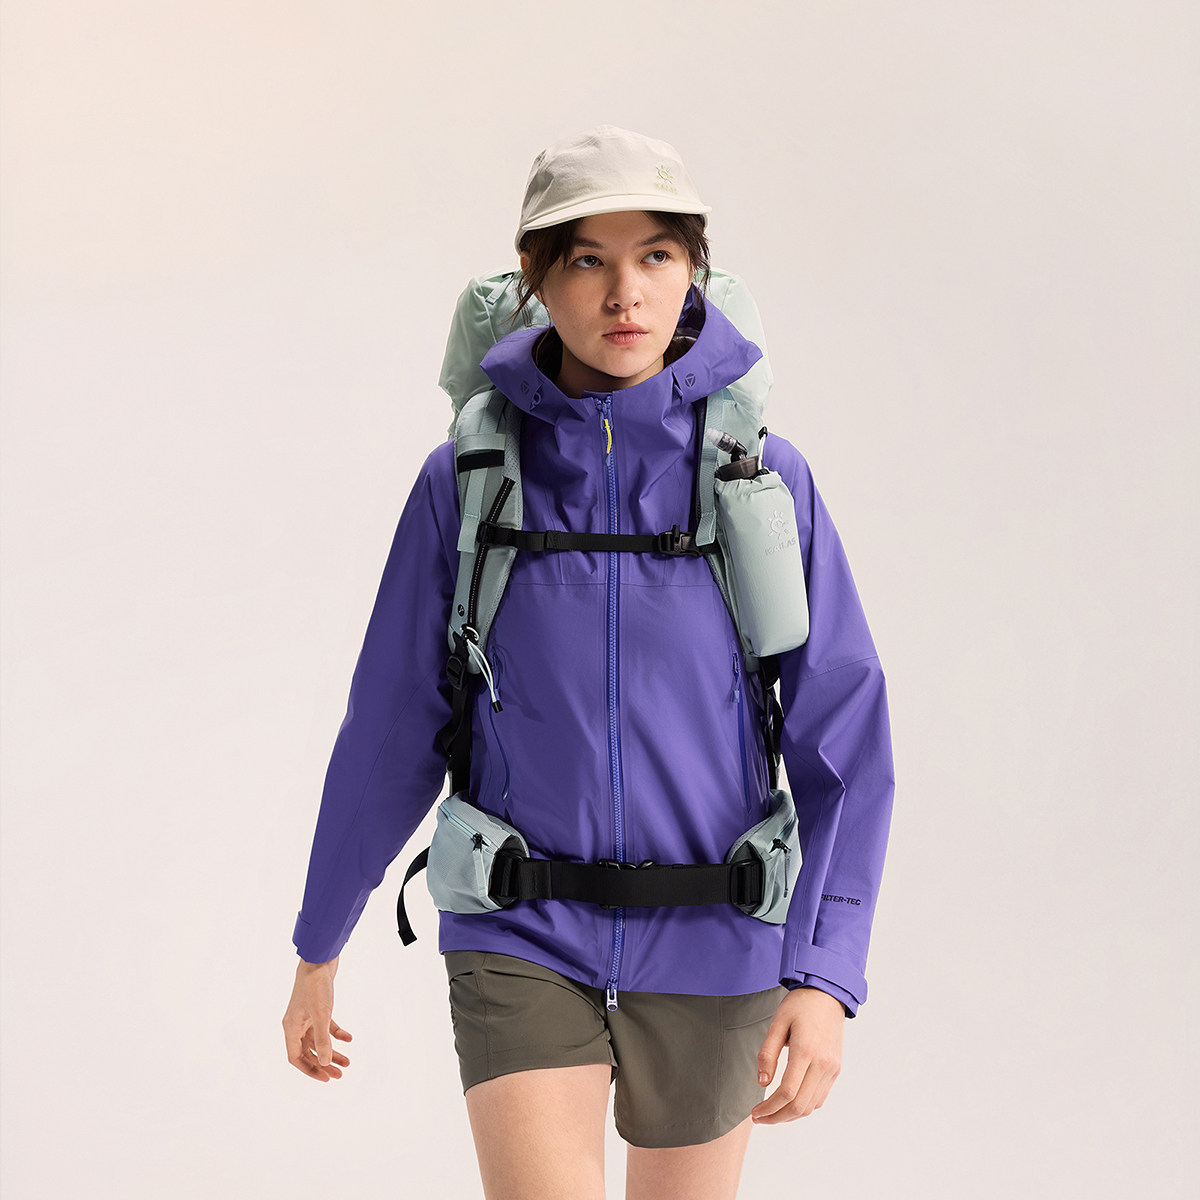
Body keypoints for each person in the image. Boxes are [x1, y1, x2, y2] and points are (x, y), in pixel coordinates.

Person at [282, 125, 895, 1200]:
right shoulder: (466, 482)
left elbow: (841, 739)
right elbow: (391, 726)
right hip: (520, 928)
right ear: (535, 276)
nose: (625, 293)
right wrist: (318, 943)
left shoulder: (760, 481)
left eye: (656, 255)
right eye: (586, 260)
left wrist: (825, 975)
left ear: (694, 268)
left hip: (718, 934)